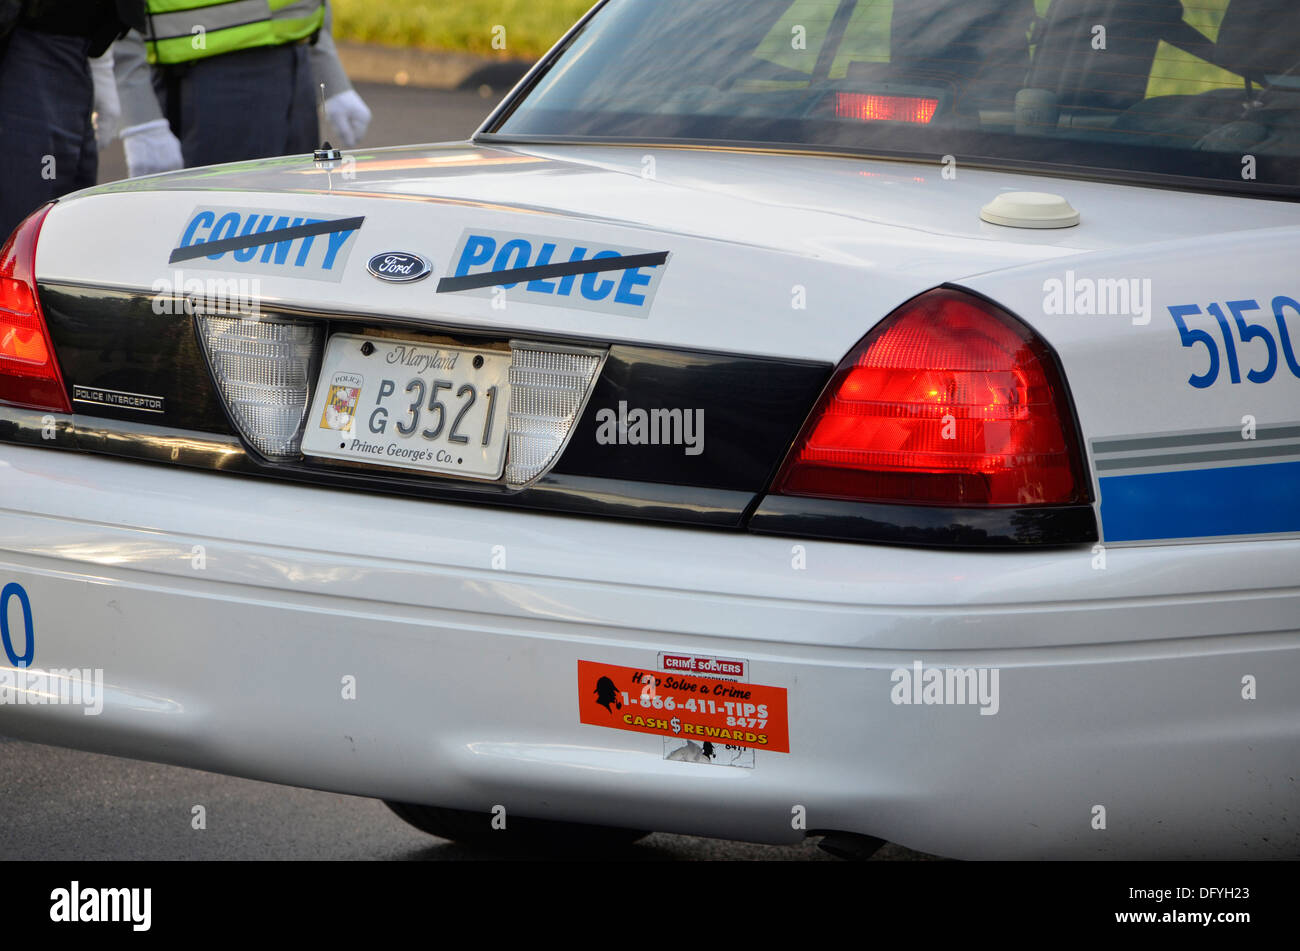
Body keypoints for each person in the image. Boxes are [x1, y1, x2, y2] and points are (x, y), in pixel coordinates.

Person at [106, 0, 369, 177]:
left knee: (295, 233)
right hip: (207, 82)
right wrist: (139, 115)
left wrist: (323, 60)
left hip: (294, 66)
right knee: (218, 248)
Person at [0, 0, 144, 238]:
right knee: (22, 240)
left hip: (78, 50)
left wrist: (101, 60)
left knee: (65, 233)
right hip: (24, 47)